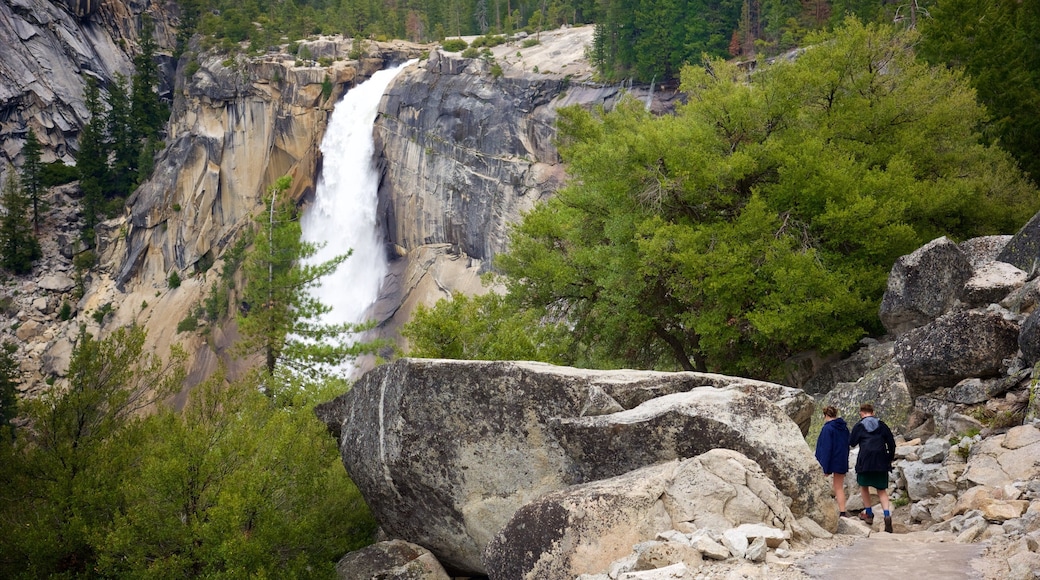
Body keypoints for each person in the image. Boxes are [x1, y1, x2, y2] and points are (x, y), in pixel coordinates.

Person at [849, 402, 897, 533]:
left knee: (864, 487)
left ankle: (869, 514)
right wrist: (890, 457)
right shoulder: (882, 425)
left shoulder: (859, 426)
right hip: (881, 461)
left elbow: (852, 442)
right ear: (873, 412)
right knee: (881, 490)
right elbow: (891, 443)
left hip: (865, 461)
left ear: (861, 413)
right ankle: (887, 515)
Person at [814, 405, 850, 518]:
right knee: (838, 487)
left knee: (819, 485)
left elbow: (826, 448)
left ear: (825, 415)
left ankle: (819, 509)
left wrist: (823, 466)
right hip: (841, 460)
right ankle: (842, 511)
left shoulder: (827, 428)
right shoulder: (844, 428)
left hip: (829, 460)